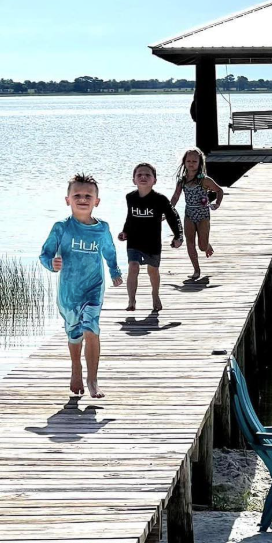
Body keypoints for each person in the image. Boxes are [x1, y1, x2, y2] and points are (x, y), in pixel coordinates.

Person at [40, 173, 122, 399]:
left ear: (97, 201)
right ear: (67, 200)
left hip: (94, 287)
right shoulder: (61, 228)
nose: (82, 199)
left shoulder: (102, 228)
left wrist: (114, 271)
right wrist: (52, 264)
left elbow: (109, 251)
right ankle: (76, 367)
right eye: (77, 195)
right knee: (75, 333)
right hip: (69, 292)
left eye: (88, 196)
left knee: (91, 328)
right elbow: (45, 254)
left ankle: (93, 380)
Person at [118, 162, 183, 312]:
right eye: (139, 175)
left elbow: (173, 216)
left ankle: (155, 294)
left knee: (153, 270)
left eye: (148, 175)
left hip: (152, 242)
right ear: (134, 180)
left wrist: (178, 236)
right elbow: (130, 217)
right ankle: (131, 300)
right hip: (134, 241)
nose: (143, 177)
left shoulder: (160, 199)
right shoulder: (130, 197)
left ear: (155, 180)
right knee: (133, 266)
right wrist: (125, 232)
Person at [171, 148, 224, 281]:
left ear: (200, 163)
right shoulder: (182, 180)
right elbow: (176, 196)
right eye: (188, 161)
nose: (191, 163)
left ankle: (207, 245)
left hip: (203, 215)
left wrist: (217, 204)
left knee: (202, 246)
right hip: (189, 214)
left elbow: (219, 190)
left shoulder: (204, 180)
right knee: (190, 243)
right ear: (184, 162)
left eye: (194, 161)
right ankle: (196, 270)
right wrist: (168, 210)